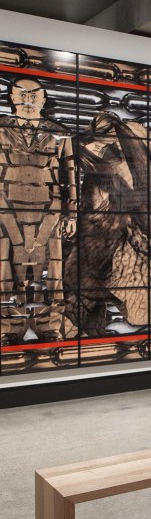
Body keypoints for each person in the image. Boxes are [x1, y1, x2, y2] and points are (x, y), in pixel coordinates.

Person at [0, 78, 77, 344]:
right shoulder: (1, 129)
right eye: (22, 94)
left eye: (34, 94)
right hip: (6, 210)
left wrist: (71, 213)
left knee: (52, 272)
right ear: (12, 97)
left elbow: (69, 175)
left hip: (49, 211)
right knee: (5, 270)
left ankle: (49, 326)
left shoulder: (60, 134)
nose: (28, 99)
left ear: (43, 99)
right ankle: (9, 329)